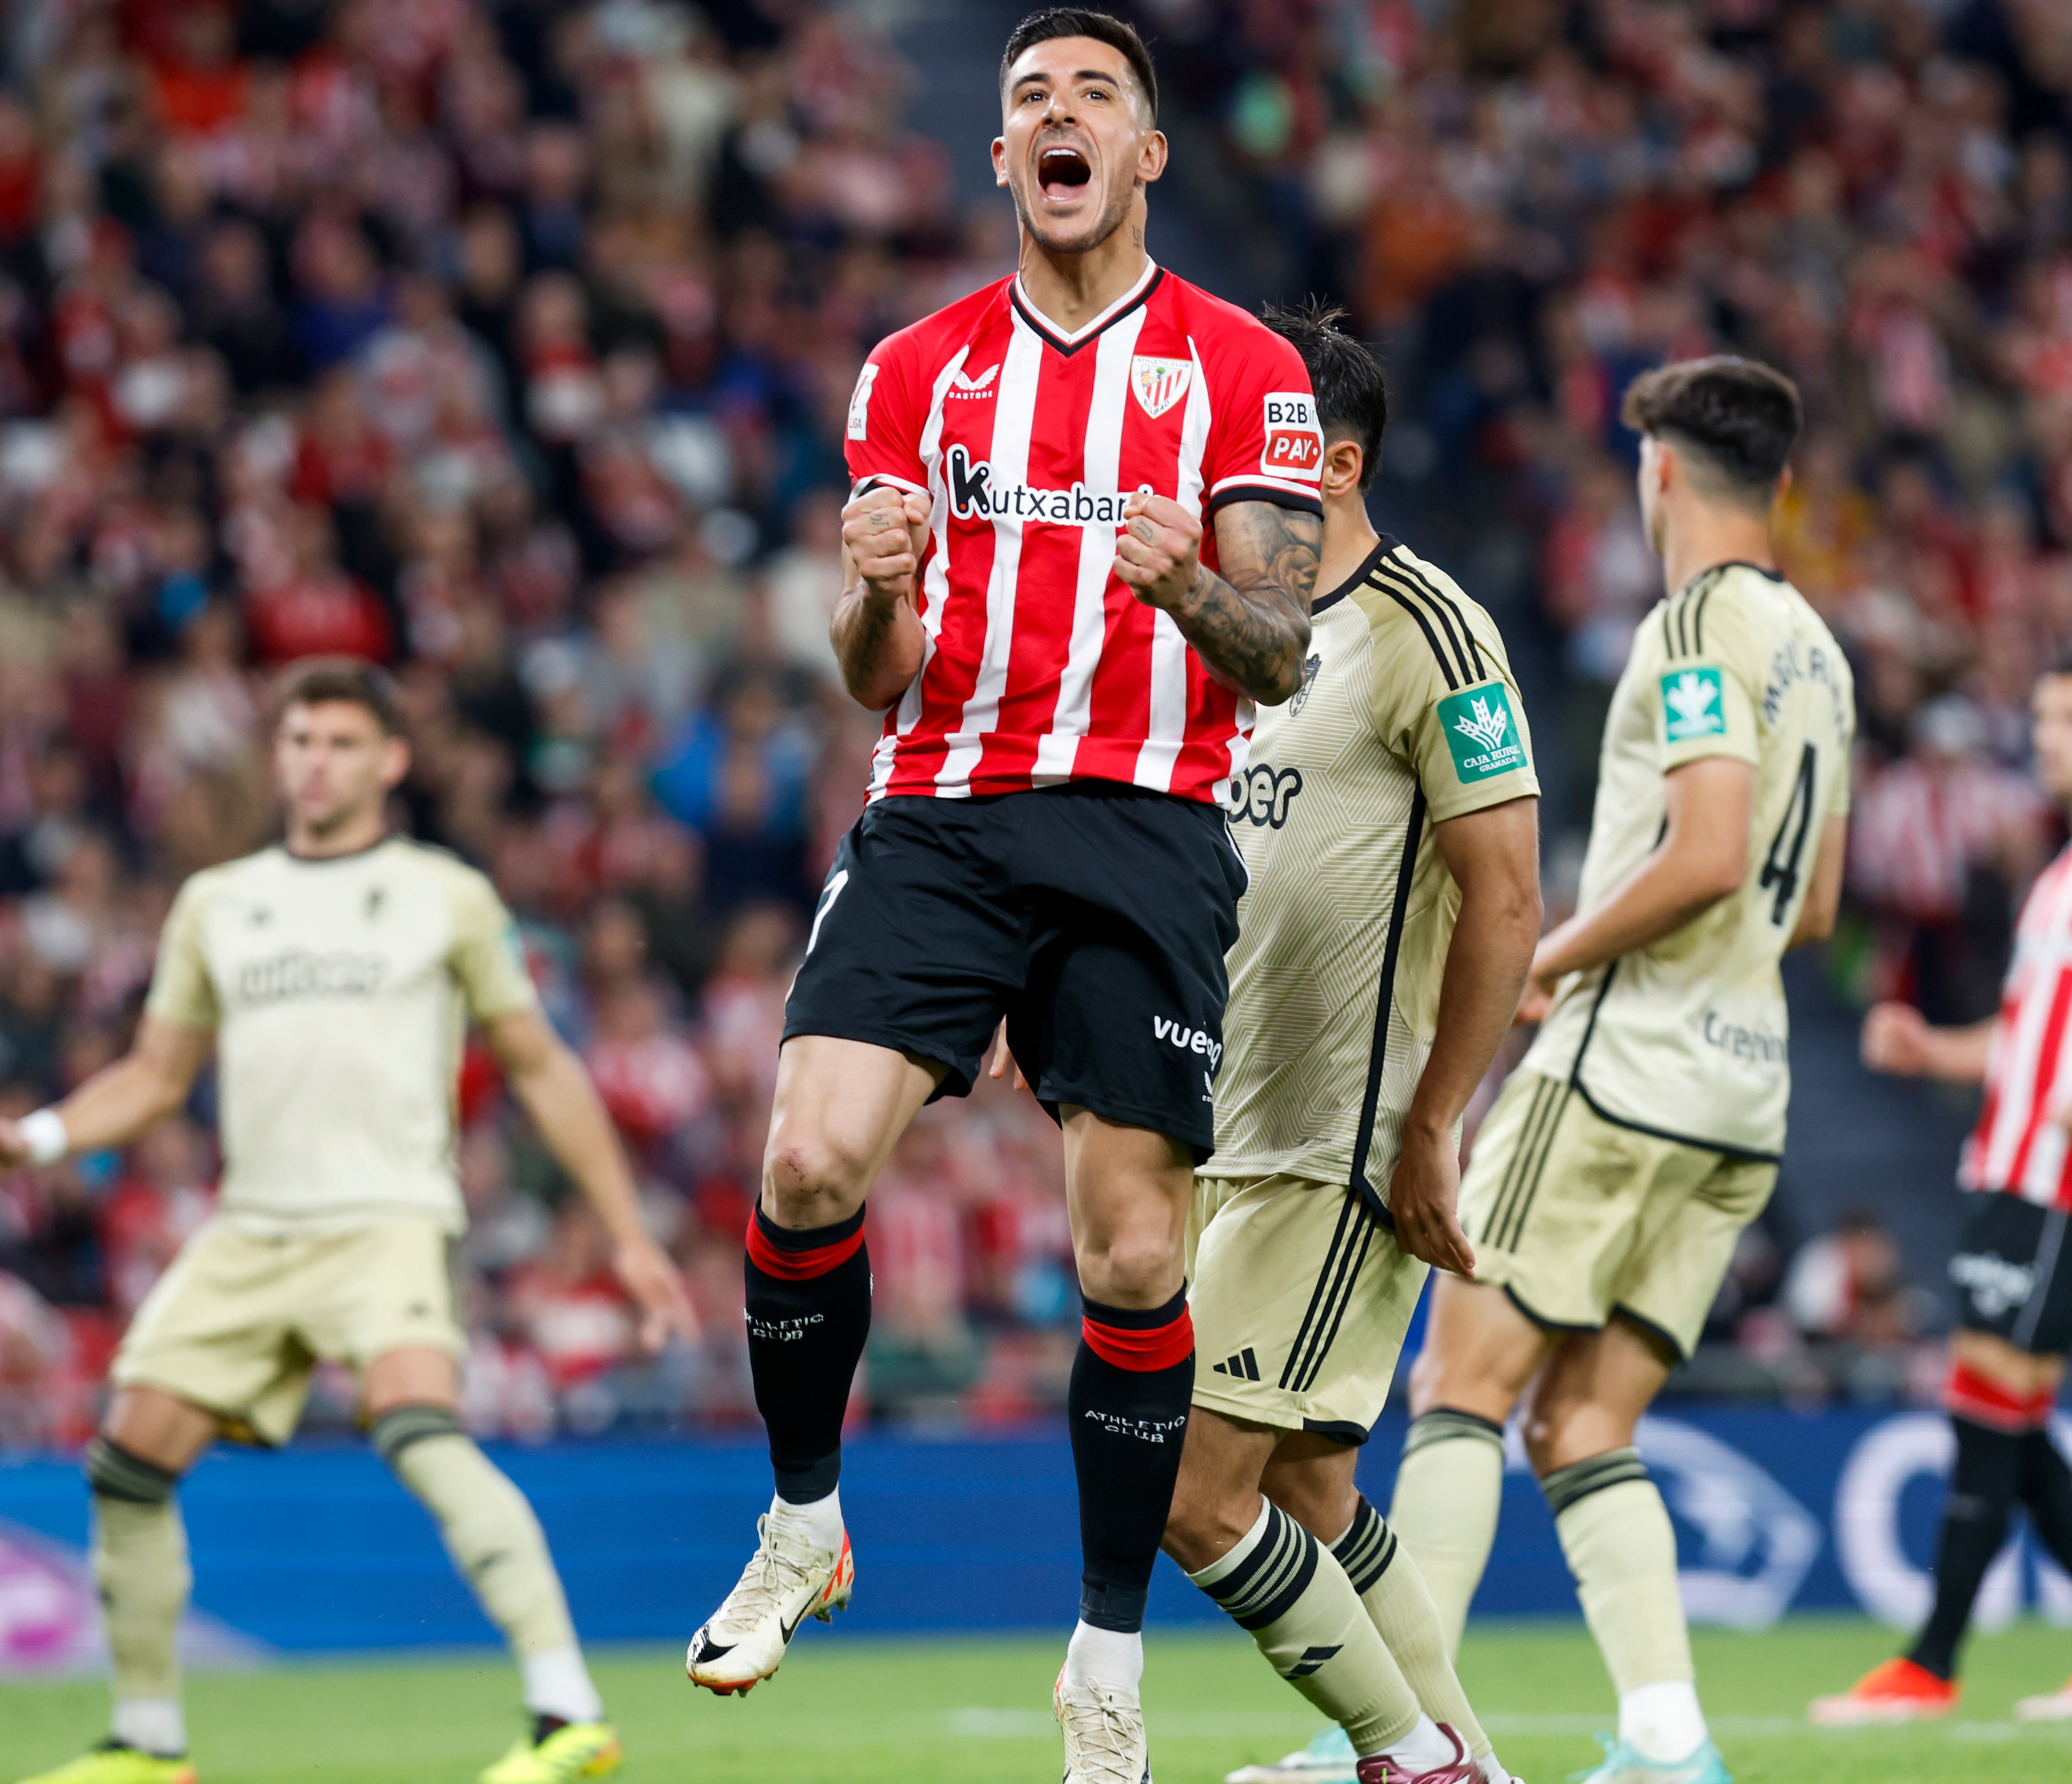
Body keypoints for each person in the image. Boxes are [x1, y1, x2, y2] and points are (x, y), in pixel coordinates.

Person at [676, 14, 1329, 1782]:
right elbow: (872, 670)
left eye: (1093, 95)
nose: (1058, 116)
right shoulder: (916, 372)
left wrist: (1188, 581)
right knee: (806, 1159)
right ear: (999, 159)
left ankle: (1106, 1653)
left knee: (1128, 1246)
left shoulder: (1245, 366)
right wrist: (869, 594)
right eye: (1029, 97)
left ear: (1148, 152)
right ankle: (806, 1524)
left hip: (1147, 821)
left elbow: (1277, 654)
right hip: (947, 808)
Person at [0, 659, 697, 1784]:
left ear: (388, 760)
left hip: (387, 1217)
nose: (314, 760)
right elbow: (151, 1075)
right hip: (253, 1228)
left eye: (338, 741)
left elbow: (541, 1065)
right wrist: (35, 1137)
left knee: (419, 1428)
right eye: (297, 740)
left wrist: (627, 1234)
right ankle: (147, 1740)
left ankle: (566, 1712)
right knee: (128, 1455)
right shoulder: (219, 901)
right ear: (276, 756)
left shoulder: (447, 893)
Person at [1384, 356, 1854, 1784]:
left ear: (1658, 472)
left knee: (1457, 1389)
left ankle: (1418, 1739)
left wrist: (1556, 954)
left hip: (1625, 1067)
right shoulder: (1822, 652)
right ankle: (1668, 1738)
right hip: (1744, 1092)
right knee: (1587, 1421)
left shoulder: (1693, 623)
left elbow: (1709, 849)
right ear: (1775, 480)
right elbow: (1813, 903)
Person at [1141, 302, 1540, 1784]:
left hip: (1335, 1134)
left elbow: (1506, 887)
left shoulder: (1432, 626)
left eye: (1255, 435)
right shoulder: (1231, 643)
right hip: (1215, 1123)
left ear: (1337, 455)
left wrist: (1435, 1118)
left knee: (1192, 1490)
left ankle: (1412, 1757)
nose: (1221, 462)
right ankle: (1468, 1760)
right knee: (1307, 1486)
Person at [1808, 655, 2072, 1726]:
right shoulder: (2058, 874)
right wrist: (1929, 1047)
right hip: (2005, 1162)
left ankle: (1931, 1662)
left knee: (1985, 1395)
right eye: (2041, 716)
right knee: (2008, 1409)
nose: (2047, 735)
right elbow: (2023, 1035)